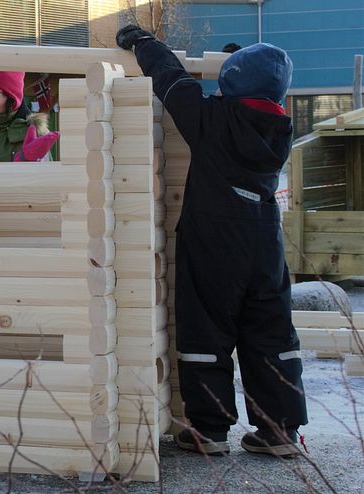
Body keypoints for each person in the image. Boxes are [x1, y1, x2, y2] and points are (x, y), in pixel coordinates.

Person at [116, 25, 308, 457]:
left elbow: (172, 80)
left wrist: (144, 43)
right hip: (264, 241)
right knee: (271, 332)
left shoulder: (211, 122)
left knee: (206, 329)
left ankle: (209, 430)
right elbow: (251, 99)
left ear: (231, 87)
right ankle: (280, 432)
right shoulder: (279, 128)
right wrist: (236, 71)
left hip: (215, 240)